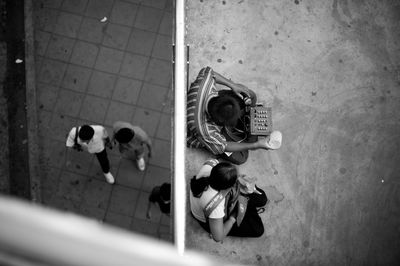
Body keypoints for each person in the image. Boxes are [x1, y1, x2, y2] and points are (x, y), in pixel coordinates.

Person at [187, 66, 282, 165]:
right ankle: (250, 136)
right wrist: (255, 145)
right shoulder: (205, 130)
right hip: (204, 136)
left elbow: (209, 72)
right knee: (241, 157)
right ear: (218, 122)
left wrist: (232, 85)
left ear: (222, 97)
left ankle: (249, 126)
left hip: (207, 105)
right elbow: (225, 146)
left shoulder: (205, 83)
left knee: (250, 95)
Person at [189, 158, 268, 242]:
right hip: (209, 221)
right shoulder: (215, 205)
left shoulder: (210, 166)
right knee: (258, 229)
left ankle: (247, 206)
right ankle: (246, 209)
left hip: (220, 200)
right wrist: (233, 218)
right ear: (228, 188)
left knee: (262, 199)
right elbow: (218, 237)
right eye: (236, 181)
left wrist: (242, 181)